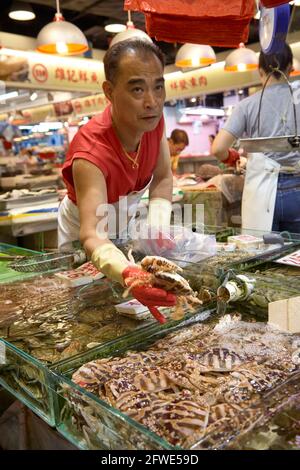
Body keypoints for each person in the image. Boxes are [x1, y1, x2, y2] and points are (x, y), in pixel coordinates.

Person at [58, 39, 176, 321]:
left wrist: (156, 229)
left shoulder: (153, 122)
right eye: (137, 88)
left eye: (158, 86)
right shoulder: (90, 151)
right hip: (84, 232)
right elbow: (93, 234)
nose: (152, 101)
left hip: (122, 223)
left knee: (128, 314)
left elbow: (162, 178)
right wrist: (128, 274)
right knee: (89, 312)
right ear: (109, 92)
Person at [212, 43, 300, 233]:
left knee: (263, 258)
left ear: (260, 70)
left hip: (261, 192)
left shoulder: (247, 105)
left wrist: (232, 158)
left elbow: (218, 148)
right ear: (290, 69)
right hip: (297, 189)